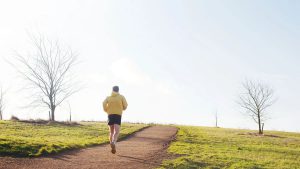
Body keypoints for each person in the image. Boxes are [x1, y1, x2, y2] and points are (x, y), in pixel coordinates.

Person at [103, 86, 128, 154]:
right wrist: (121, 108)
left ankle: (111, 143)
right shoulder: (121, 97)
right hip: (118, 115)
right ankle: (114, 142)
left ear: (112, 90)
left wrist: (106, 110)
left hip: (110, 115)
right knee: (117, 131)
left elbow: (103, 103)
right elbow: (125, 105)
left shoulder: (108, 97)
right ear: (118, 90)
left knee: (111, 132)